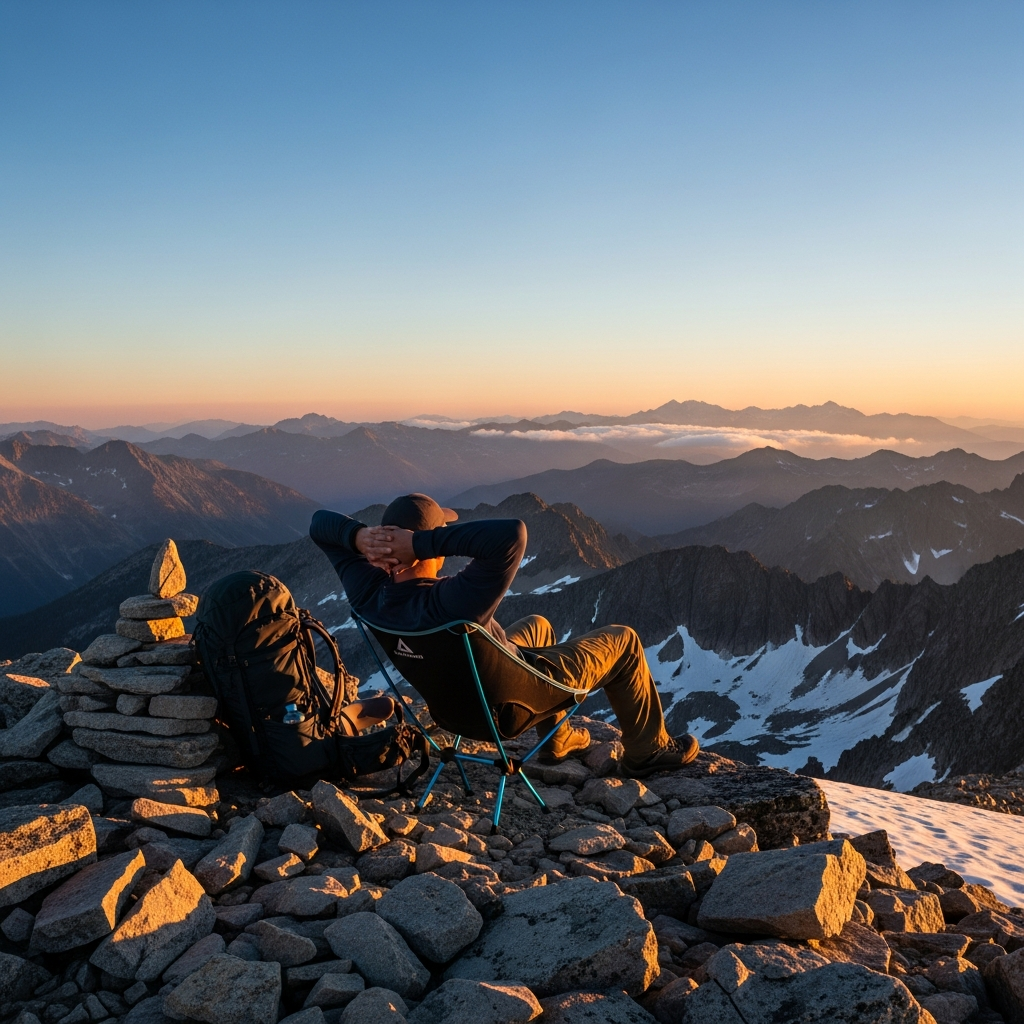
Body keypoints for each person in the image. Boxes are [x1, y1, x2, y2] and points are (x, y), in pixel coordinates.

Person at [309, 493, 699, 778]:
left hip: (453, 709)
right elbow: (511, 535)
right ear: (424, 549)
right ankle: (647, 751)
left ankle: (558, 740)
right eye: (440, 533)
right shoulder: (453, 600)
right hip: (507, 710)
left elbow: (320, 524)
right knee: (625, 640)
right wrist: (418, 543)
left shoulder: (368, 593)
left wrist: (362, 539)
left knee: (537, 624)